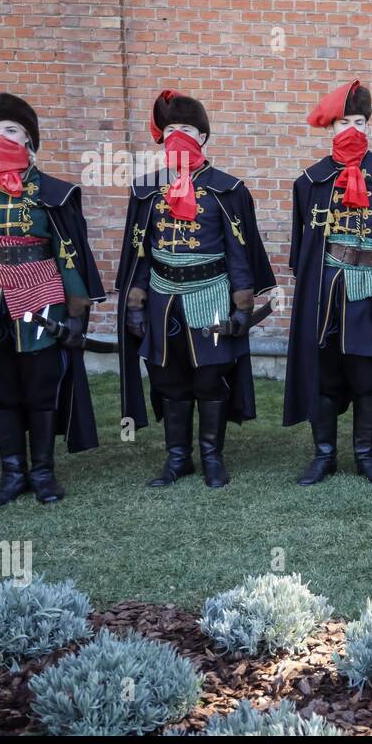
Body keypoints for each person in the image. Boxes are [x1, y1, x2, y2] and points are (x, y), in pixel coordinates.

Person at [0, 93, 104, 507]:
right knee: (1, 385)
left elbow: (69, 254)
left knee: (41, 384)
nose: (2, 136)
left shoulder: (56, 193)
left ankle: (43, 473)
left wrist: (78, 310)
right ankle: (12, 473)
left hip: (42, 290)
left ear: (30, 142)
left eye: (12, 130)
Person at [116, 90, 276, 487]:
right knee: (168, 380)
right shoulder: (146, 189)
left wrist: (243, 306)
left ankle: (212, 458)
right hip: (162, 297)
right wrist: (135, 304)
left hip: (211, 295)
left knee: (209, 378)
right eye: (171, 129)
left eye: (186, 129)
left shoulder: (228, 189)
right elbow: (140, 251)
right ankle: (177, 460)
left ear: (203, 136)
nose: (179, 136)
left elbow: (239, 252)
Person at [284, 80, 372, 485]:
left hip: (371, 293)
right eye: (344, 121)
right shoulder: (310, 183)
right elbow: (303, 251)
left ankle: (365, 455)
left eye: (360, 121)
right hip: (327, 292)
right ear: (331, 127)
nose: (352, 128)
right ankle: (324, 455)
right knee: (325, 375)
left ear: (370, 126)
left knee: (368, 377)